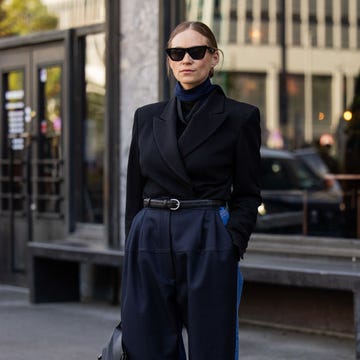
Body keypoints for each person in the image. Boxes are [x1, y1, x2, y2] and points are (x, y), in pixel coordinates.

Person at [121, 21, 262, 359]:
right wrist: (133, 245)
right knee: (146, 346)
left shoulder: (240, 117)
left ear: (214, 58)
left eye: (196, 52)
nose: (186, 59)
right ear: (169, 61)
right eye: (176, 53)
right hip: (150, 235)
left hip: (207, 235)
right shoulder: (146, 117)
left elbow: (248, 191)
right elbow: (134, 189)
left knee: (211, 347)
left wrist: (232, 242)